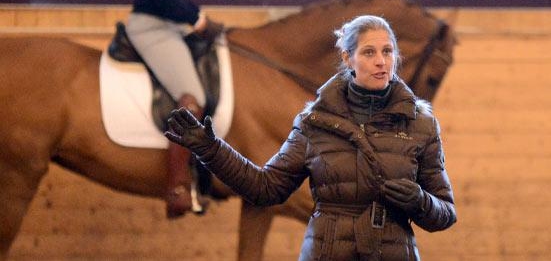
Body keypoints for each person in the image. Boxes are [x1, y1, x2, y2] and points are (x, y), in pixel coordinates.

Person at [165, 15, 457, 259]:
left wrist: (421, 202)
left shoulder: (422, 125)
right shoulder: (314, 122)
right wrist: (210, 149)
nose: (381, 61)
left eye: (388, 51)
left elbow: (446, 213)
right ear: (348, 58)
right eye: (369, 52)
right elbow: (265, 188)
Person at [125, 0, 223, 218]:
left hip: (168, 23)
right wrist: (196, 18)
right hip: (152, 26)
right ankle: (177, 187)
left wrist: (194, 20)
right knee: (192, 100)